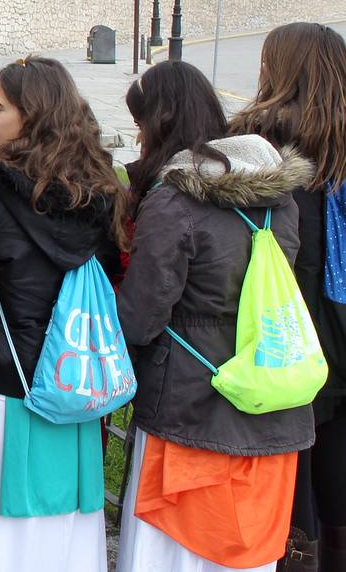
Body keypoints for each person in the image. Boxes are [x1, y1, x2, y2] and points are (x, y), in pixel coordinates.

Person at [116, 60, 314, 572]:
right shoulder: (278, 199)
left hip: (187, 410)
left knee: (173, 552)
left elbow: (140, 318)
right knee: (244, 553)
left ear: (157, 123)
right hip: (269, 398)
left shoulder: (172, 201)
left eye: (140, 124)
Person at [0, 57, 128, 572]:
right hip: (73, 384)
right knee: (63, 537)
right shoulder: (102, 193)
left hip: (1, 391)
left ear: (32, 115)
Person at [230, 22, 346, 572]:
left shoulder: (260, 146)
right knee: (335, 465)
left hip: (285, 331)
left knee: (292, 470)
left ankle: (296, 560)